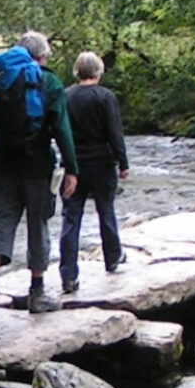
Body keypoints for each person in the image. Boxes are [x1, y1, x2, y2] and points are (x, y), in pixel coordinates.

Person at [0, 31, 79, 321]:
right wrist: (72, 168)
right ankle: (37, 292)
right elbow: (62, 129)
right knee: (38, 225)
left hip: (1, 164)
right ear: (40, 56)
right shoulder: (48, 82)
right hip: (38, 166)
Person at [57, 52, 129, 296]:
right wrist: (123, 162)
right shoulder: (106, 97)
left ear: (77, 71)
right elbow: (114, 132)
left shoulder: (65, 96)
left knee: (71, 218)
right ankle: (112, 258)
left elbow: (57, 130)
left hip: (72, 165)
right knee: (106, 210)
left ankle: (68, 276)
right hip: (102, 163)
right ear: (99, 71)